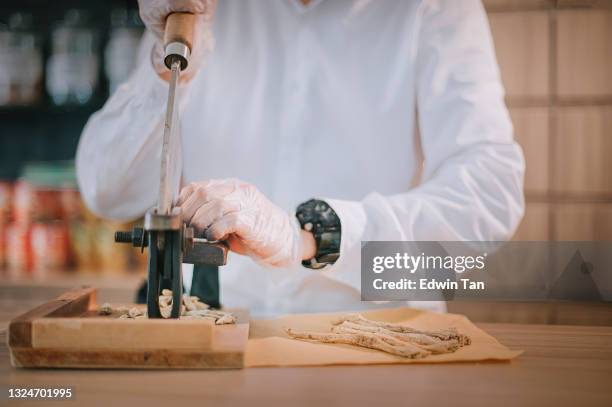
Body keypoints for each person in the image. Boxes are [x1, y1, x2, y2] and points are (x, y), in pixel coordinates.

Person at [76, 0, 525, 317]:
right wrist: (164, 72)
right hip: (214, 333)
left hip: (385, 342)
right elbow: (108, 191)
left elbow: (489, 195)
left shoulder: (435, 6)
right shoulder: (195, 13)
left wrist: (312, 235)